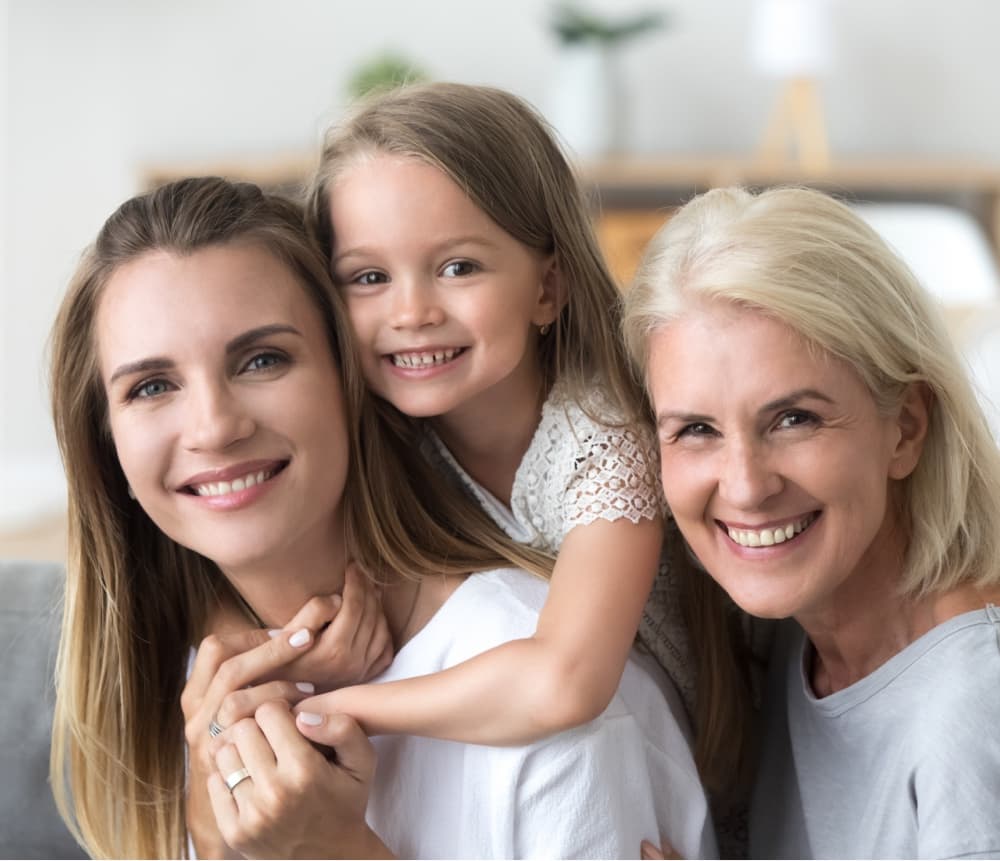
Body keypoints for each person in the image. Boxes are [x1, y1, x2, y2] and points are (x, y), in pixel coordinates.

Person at [49, 176, 716, 859]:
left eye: (262, 359)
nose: (214, 427)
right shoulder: (209, 696)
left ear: (351, 379)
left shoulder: (549, 697)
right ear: (106, 444)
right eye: (152, 386)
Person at [301, 81, 749, 803]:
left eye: (457, 267)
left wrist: (343, 709)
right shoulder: (384, 441)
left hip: (686, 783)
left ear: (548, 286)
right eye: (369, 277)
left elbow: (565, 681)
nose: (411, 311)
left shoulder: (604, 441)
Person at [622, 185, 1000, 860]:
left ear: (907, 428)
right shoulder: (786, 637)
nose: (745, 484)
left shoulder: (972, 708)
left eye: (794, 419)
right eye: (697, 429)